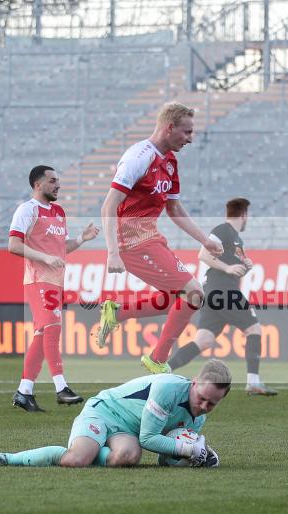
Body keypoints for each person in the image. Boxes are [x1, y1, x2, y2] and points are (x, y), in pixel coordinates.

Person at [97, 101, 223, 374]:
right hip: (130, 241)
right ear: (169, 128)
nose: (190, 139)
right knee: (193, 293)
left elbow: (174, 208)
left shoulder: (170, 161)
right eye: (187, 132)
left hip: (151, 237)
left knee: (175, 298)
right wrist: (112, 251)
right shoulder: (138, 157)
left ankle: (116, 313)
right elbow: (108, 206)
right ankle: (157, 358)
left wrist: (205, 240)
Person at [0, 359, 231, 468]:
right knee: (76, 460)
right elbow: (148, 439)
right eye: (202, 398)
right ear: (195, 382)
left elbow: (164, 459)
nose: (204, 406)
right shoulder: (169, 387)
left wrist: (195, 456)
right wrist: (187, 448)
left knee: (127, 457)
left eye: (212, 404)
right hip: (104, 411)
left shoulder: (199, 418)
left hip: (127, 431)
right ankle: (6, 458)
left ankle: (92, 450)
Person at [7, 165, 100, 412]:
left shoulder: (58, 211)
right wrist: (45, 258)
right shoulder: (27, 210)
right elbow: (13, 245)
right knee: (52, 328)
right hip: (38, 279)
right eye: (52, 180)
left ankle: (24, 392)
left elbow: (60, 250)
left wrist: (81, 239)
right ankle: (61, 387)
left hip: (57, 281)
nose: (58, 184)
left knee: (42, 334)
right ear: (38, 184)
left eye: (58, 180)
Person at [167, 197, 277, 396]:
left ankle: (165, 370)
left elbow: (233, 267)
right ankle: (253, 382)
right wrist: (228, 267)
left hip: (213, 292)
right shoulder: (223, 230)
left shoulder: (235, 239)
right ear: (243, 215)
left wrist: (244, 265)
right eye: (247, 216)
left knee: (203, 341)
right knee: (254, 329)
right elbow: (203, 254)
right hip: (223, 291)